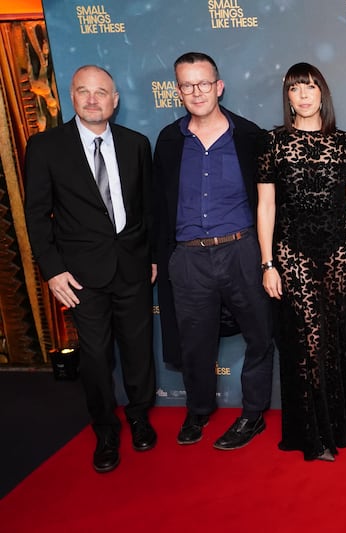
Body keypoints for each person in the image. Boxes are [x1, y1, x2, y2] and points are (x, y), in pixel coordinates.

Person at [24, 65, 157, 473]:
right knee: (96, 357)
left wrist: (151, 256)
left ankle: (138, 415)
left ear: (115, 100)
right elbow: (35, 214)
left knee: (138, 351)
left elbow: (148, 206)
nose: (94, 99)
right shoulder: (46, 147)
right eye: (85, 91)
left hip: (133, 267)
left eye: (102, 92)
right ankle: (105, 429)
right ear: (73, 97)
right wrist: (52, 271)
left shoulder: (137, 144)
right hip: (80, 276)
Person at [256, 62, 346, 462]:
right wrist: (267, 264)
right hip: (293, 253)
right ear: (288, 96)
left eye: (311, 87)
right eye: (296, 89)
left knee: (339, 337)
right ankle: (317, 433)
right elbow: (265, 206)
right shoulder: (272, 142)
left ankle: (345, 422)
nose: (305, 95)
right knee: (309, 341)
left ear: (322, 93)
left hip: (340, 251)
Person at [153, 52, 275, 450]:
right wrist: (163, 256)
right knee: (194, 342)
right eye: (187, 85)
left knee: (260, 336)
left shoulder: (250, 136)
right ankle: (199, 410)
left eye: (204, 83)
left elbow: (271, 202)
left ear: (219, 86)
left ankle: (253, 414)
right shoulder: (169, 141)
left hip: (242, 251)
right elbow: (157, 203)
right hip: (188, 258)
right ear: (178, 91)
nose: (197, 92)